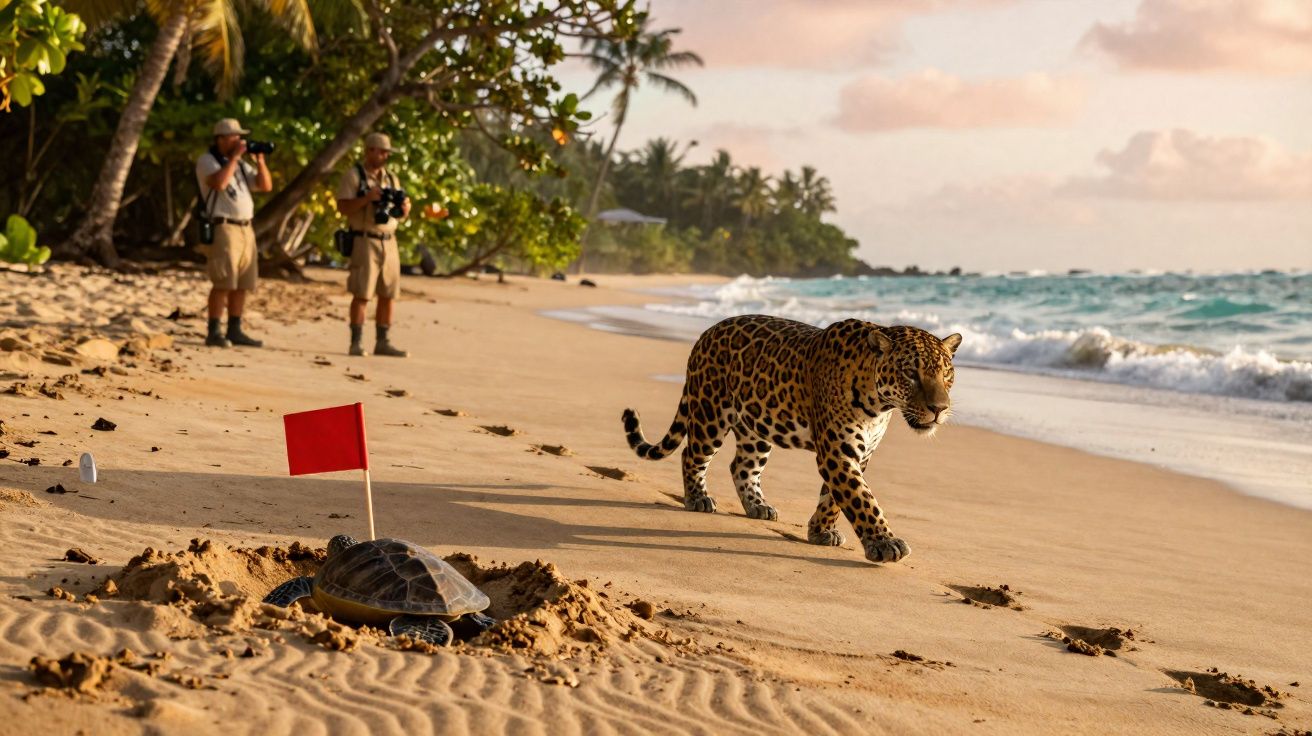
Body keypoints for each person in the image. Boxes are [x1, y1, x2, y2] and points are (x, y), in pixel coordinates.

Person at [195, 118, 272, 348]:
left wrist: (260, 161)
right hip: (223, 226)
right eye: (234, 137)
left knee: (243, 283)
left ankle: (235, 329)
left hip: (245, 228)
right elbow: (218, 183)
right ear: (221, 139)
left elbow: (265, 186)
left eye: (240, 137)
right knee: (223, 281)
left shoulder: (239, 164)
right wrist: (235, 158)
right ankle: (214, 331)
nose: (240, 141)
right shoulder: (207, 161)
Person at [335, 132, 411, 357]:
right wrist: (367, 199)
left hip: (389, 240)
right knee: (362, 292)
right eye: (380, 151)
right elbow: (343, 207)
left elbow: (399, 210)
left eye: (387, 152)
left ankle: (383, 341)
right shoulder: (354, 175)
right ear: (369, 151)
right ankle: (356, 341)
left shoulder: (392, 178)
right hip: (364, 239)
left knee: (389, 293)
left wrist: (405, 208)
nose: (384, 155)